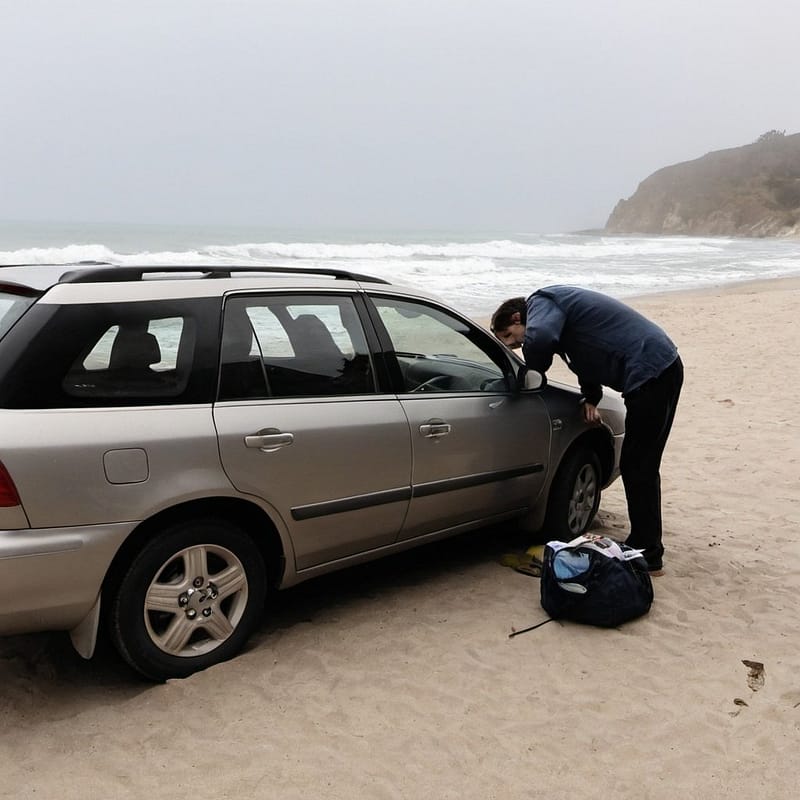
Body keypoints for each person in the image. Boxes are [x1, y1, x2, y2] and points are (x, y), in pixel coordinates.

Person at [491, 286, 683, 575]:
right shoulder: (564, 321)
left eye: (509, 337)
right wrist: (591, 396)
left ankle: (648, 552)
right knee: (642, 463)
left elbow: (541, 338)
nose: (513, 346)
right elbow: (585, 355)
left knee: (637, 465)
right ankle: (647, 545)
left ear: (518, 317)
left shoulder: (543, 300)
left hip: (650, 371)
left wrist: (532, 371)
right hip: (662, 367)